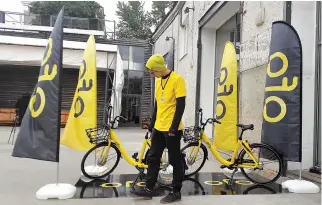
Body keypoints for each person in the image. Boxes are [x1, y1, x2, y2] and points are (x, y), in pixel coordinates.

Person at [130, 54, 186, 203]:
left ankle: (176, 191)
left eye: (152, 71)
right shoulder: (158, 81)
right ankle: (149, 189)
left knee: (175, 160)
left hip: (172, 129)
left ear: (160, 69)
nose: (151, 74)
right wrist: (151, 125)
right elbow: (157, 107)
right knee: (153, 157)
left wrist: (174, 127)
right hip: (159, 128)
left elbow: (181, 106)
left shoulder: (178, 80)